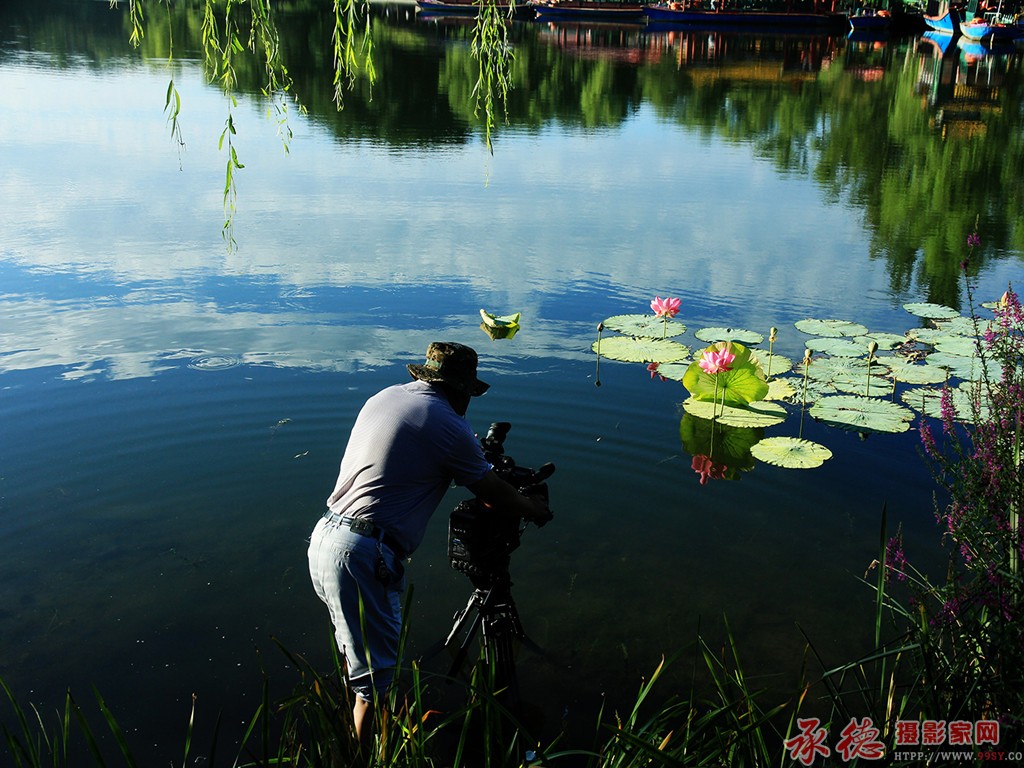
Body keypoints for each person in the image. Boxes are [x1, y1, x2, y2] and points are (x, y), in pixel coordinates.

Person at [307, 341, 550, 757]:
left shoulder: (387, 397)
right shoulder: (446, 422)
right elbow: (493, 493)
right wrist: (534, 508)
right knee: (375, 687)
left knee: (363, 669)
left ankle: (366, 741)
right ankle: (363, 759)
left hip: (327, 538)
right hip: (364, 554)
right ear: (460, 390)